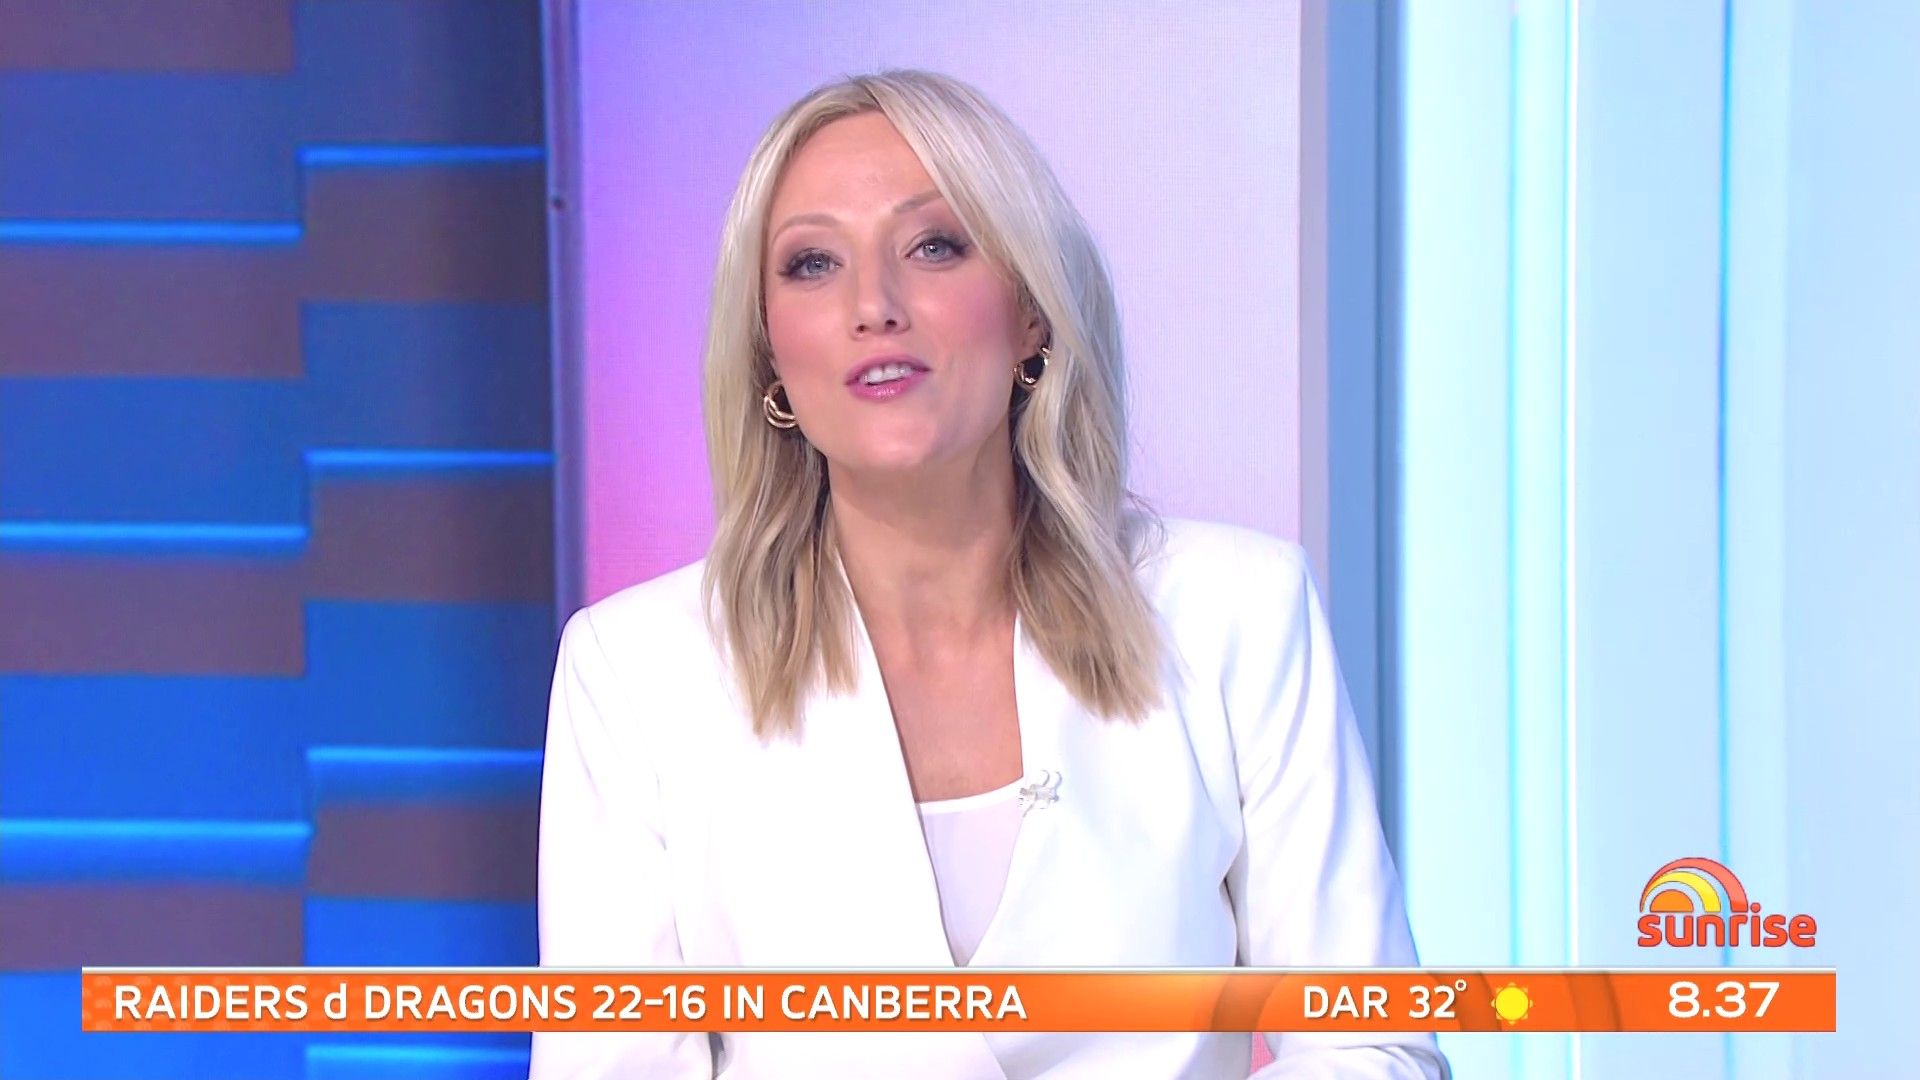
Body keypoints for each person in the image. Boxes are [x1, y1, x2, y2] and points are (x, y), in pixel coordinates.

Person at [530, 68, 1449, 1079]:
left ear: (1032, 315)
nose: (873, 306)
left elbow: (1376, 1042)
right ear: (769, 358)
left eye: (934, 245)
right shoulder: (636, 671)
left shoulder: (1238, 610)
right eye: (811, 264)